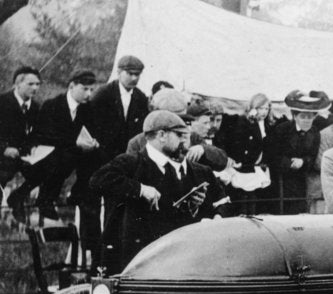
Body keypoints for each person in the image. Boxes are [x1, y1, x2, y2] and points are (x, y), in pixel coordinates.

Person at [90, 111, 230, 273]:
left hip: (186, 264)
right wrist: (140, 189)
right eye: (180, 135)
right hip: (139, 264)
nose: (186, 141)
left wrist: (214, 218)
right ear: (162, 135)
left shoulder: (200, 171)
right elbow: (97, 180)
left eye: (187, 135)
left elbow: (223, 203)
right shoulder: (131, 164)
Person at [16, 70, 100, 223]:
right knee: (63, 158)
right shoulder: (53, 105)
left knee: (93, 156)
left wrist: (93, 141)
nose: (88, 94)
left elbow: (92, 130)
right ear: (71, 86)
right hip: (42, 152)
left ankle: (78, 193)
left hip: (69, 151)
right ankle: (45, 200)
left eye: (91, 90)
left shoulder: (87, 108)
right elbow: (45, 136)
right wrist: (75, 143)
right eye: (85, 89)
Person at [267, 90, 327, 214]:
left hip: (301, 181)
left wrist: (303, 162)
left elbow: (312, 156)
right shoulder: (282, 129)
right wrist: (289, 163)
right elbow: (272, 155)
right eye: (303, 117)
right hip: (281, 180)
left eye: (310, 117)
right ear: (295, 117)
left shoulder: (315, 133)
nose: (306, 120)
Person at [0, 66, 43, 219]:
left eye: (37, 84)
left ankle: (17, 198)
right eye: (30, 84)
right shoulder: (2, 102)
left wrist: (34, 148)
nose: (35, 88)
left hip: (24, 156)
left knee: (47, 171)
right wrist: (4, 149)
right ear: (17, 84)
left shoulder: (36, 108)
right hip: (3, 158)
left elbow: (36, 134)